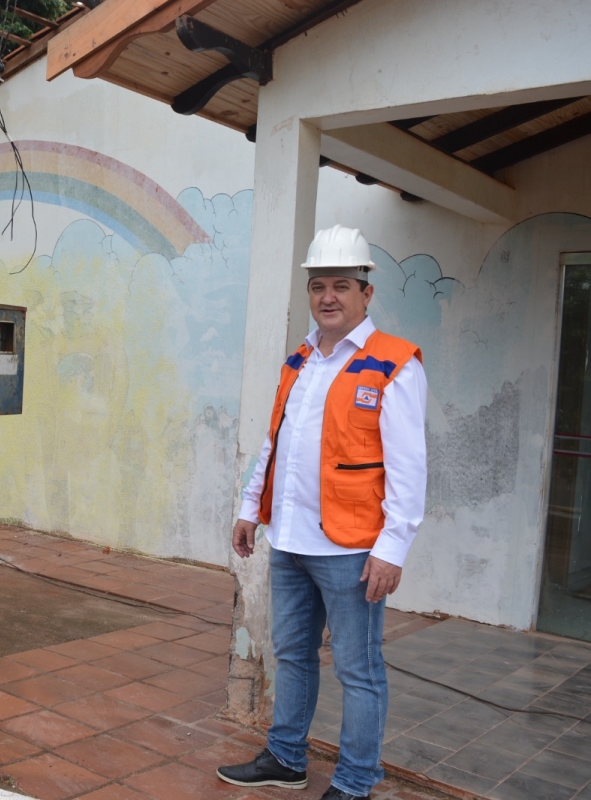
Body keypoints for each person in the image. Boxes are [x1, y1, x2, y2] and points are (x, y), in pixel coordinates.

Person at [217, 225, 427, 800]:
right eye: (318, 286)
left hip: (353, 548)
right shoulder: (301, 360)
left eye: (341, 285)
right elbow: (274, 442)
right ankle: (286, 757)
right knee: (293, 654)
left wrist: (393, 546)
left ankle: (356, 781)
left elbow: (409, 467)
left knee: (359, 671)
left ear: (366, 293)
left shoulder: (395, 364)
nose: (328, 297)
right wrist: (248, 510)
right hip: (289, 540)